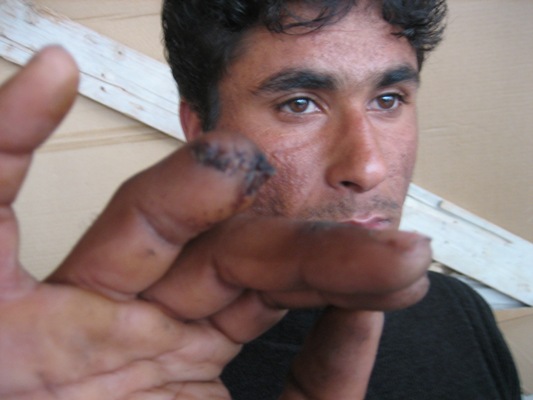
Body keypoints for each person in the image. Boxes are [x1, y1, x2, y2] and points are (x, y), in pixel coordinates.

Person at [0, 1, 520, 400]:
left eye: (388, 100)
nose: (368, 168)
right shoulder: (103, 364)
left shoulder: (458, 311)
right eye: (300, 104)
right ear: (201, 130)